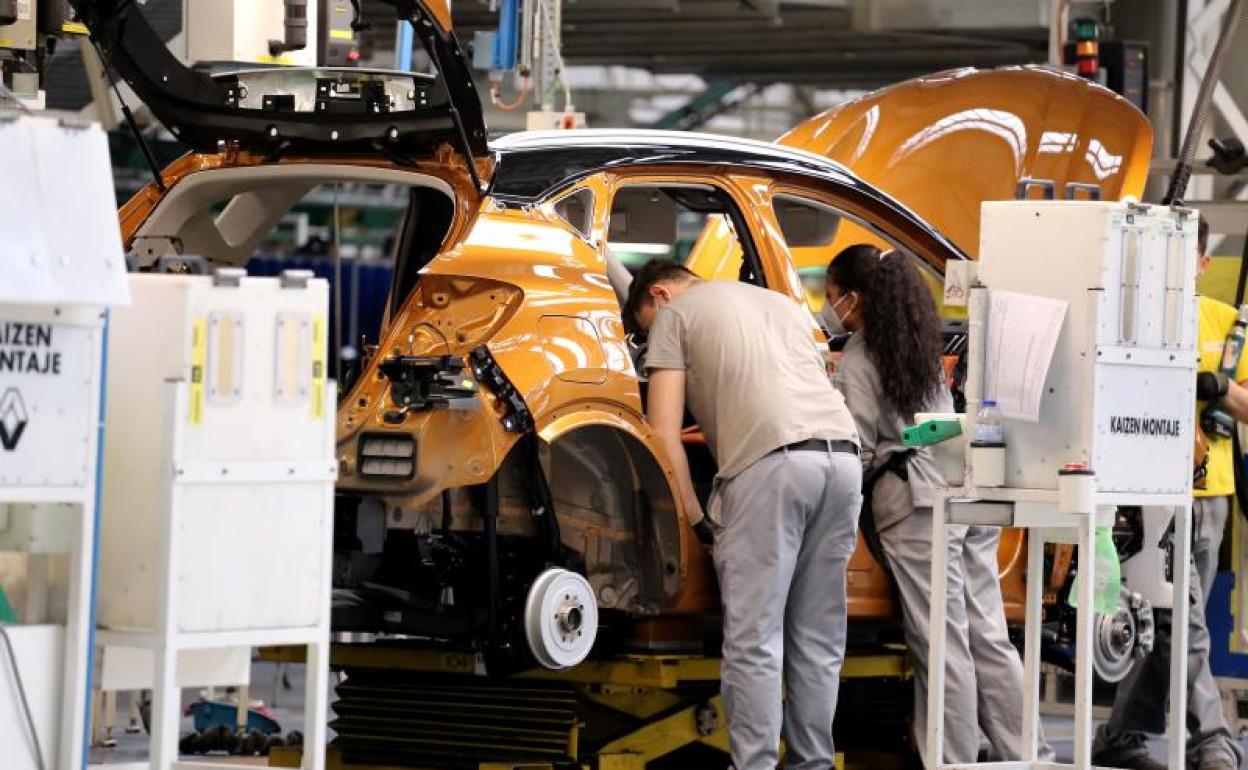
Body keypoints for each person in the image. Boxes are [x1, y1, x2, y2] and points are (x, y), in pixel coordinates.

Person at [625, 259, 862, 770]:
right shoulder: (784, 304)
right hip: (842, 460)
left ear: (660, 296)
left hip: (773, 468)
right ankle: (812, 764)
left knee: (756, 640)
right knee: (817, 639)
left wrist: (692, 518)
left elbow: (663, 431)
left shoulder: (675, 315)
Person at [827, 245, 1049, 764]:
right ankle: (1028, 754)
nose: (830, 306)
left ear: (854, 300)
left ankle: (952, 760)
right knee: (987, 634)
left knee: (942, 643)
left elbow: (856, 449)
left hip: (918, 504)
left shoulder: (860, 356)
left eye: (833, 297)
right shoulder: (918, 342)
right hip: (964, 485)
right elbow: (935, 422)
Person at [1092, 214, 1248, 770]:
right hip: (1152, 497)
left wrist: (1222, 387)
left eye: (1189, 257)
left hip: (1213, 495)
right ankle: (1213, 742)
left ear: (1203, 262)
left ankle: (1118, 737)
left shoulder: (1227, 324)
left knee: (1173, 625)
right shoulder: (1132, 318)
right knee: (1185, 625)